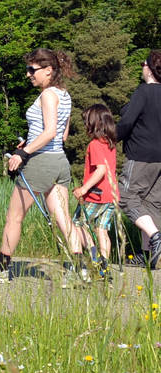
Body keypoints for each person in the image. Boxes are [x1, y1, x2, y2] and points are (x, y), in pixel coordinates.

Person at [0, 48, 84, 282]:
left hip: (40, 163)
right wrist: (30, 140)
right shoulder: (65, 95)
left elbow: (49, 132)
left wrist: (23, 152)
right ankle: (81, 270)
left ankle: (0, 269)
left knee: (14, 217)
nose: (28, 74)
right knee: (63, 218)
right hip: (60, 161)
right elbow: (62, 135)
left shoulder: (48, 95)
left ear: (48, 70)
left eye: (32, 70)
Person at [116, 50, 161, 268]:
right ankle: (150, 255)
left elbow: (126, 122)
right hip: (160, 158)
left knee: (126, 197)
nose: (141, 67)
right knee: (151, 202)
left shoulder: (144, 91)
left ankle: (155, 237)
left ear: (150, 68)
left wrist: (112, 137)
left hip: (140, 154)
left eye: (143, 63)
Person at [71, 103, 118, 275]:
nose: (85, 126)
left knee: (77, 225)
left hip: (96, 196)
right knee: (102, 230)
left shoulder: (95, 144)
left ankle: (94, 256)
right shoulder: (110, 143)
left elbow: (101, 170)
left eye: (86, 122)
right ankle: (104, 266)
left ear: (93, 124)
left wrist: (83, 189)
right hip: (111, 196)